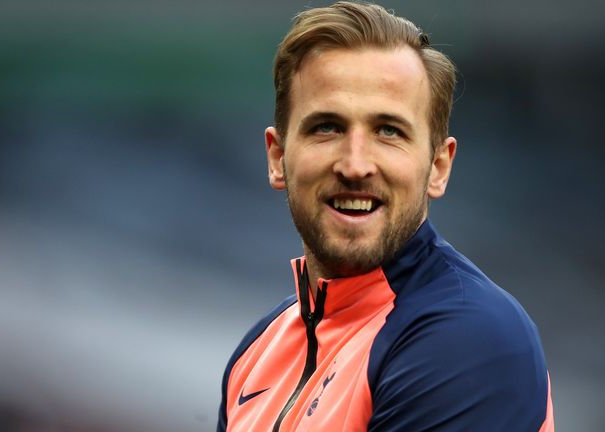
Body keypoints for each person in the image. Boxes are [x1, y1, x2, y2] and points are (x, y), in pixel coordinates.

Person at [217, 2, 554, 431]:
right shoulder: (259, 349)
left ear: (438, 167)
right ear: (278, 157)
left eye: (388, 131)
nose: (355, 165)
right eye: (327, 127)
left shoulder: (471, 339)